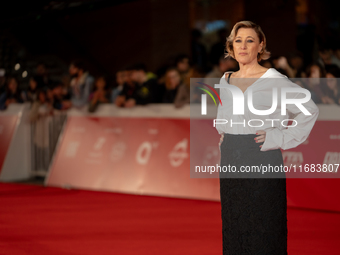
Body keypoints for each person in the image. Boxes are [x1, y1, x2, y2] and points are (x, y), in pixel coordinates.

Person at [216, 21, 319, 254]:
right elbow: (223, 116)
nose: (243, 46)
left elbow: (309, 110)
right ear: (231, 46)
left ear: (260, 45)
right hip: (232, 158)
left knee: (265, 224)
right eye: (238, 40)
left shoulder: (274, 79)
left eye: (250, 40)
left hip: (261, 155)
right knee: (235, 223)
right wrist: (225, 136)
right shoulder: (226, 80)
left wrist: (279, 137)